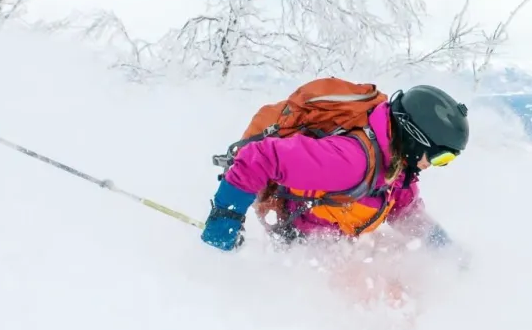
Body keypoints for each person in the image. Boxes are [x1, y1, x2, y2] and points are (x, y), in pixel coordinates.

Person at [199, 84, 469, 255]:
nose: (433, 166)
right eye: (440, 158)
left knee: (398, 257)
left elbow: (405, 210)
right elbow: (260, 157)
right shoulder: (351, 162)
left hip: (332, 238)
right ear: (414, 137)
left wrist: (445, 250)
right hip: (298, 241)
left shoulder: (395, 162)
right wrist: (226, 216)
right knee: (384, 291)